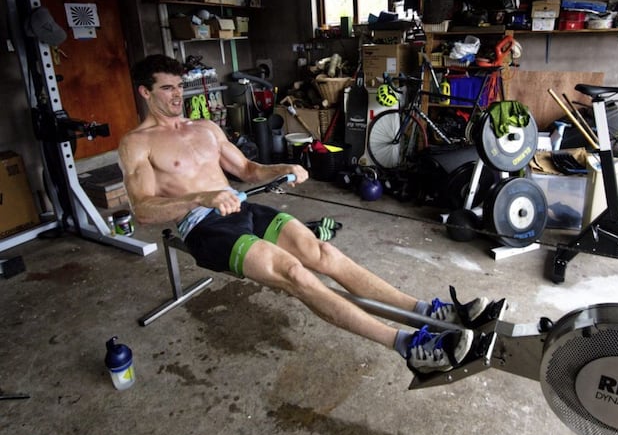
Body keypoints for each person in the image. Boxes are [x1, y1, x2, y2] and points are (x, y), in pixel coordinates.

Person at [118, 54, 505, 376]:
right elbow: (143, 210)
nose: (176, 95)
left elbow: (248, 170)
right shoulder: (137, 143)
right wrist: (201, 197)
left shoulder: (204, 128)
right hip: (204, 227)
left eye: (179, 86)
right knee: (295, 274)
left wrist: (283, 168)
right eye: (167, 88)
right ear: (144, 91)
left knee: (323, 254)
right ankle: (408, 347)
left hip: (241, 206)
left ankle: (428, 312)